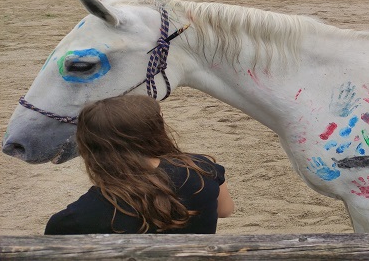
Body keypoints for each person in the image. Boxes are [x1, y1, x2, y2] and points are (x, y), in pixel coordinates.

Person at [45, 95, 234, 234]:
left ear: (88, 146)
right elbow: (225, 210)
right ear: (154, 132)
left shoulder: (72, 220)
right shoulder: (201, 168)